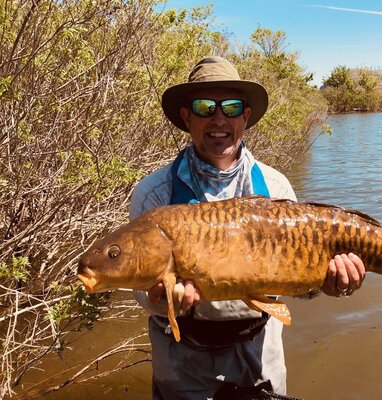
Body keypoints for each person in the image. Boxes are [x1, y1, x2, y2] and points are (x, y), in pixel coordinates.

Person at [130, 56, 366, 400]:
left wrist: (329, 283)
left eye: (231, 107)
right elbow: (139, 286)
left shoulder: (275, 187)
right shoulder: (154, 193)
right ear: (186, 116)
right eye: (204, 106)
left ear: (246, 115)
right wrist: (158, 298)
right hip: (182, 361)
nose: (218, 119)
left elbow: (294, 280)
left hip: (259, 352)